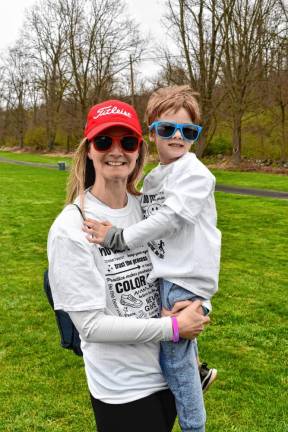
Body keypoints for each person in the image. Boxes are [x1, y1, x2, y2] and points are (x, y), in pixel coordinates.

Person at [47, 99, 210, 432]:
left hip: (169, 376)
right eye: (105, 141)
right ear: (89, 150)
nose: (116, 151)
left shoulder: (148, 209)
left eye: (128, 141)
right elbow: (90, 327)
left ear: (139, 151)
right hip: (123, 391)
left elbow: (185, 261)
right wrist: (175, 329)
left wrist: (197, 305)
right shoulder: (70, 227)